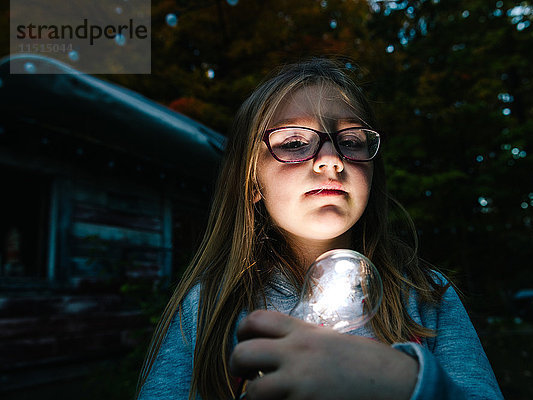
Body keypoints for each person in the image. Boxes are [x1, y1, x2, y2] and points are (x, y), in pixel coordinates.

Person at [137, 58, 504, 400]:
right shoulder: (209, 307)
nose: (331, 159)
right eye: (295, 143)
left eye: (350, 142)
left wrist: (404, 382)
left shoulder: (426, 294)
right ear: (251, 184)